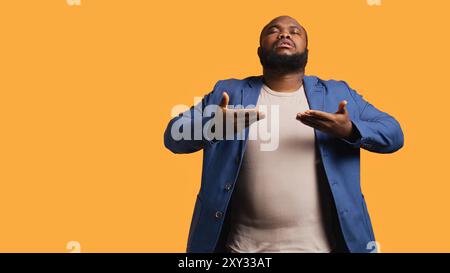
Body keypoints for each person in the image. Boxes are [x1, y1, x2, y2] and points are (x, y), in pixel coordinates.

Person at [164, 15, 404, 253]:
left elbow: (394, 134)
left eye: (295, 31)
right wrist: (214, 126)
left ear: (307, 51)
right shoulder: (228, 93)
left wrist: (350, 130)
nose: (285, 34)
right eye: (273, 30)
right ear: (259, 50)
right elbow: (173, 137)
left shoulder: (337, 93)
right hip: (240, 251)